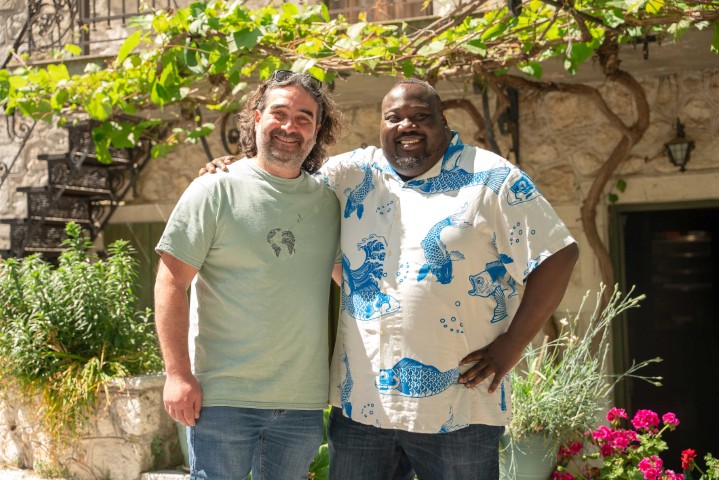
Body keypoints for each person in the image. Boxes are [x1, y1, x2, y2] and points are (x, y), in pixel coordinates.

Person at [203, 78, 579, 480]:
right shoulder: (351, 172)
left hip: (459, 407)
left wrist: (512, 346)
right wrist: (236, 168)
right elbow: (284, 177)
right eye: (394, 117)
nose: (406, 126)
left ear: (444, 122)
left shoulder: (492, 178)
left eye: (420, 116)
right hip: (363, 406)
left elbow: (558, 254)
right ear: (380, 125)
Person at [154, 70, 343, 480]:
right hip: (223, 399)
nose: (290, 126)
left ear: (316, 131)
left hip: (302, 402)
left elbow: (353, 279)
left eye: (304, 118)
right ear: (257, 117)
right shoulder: (214, 190)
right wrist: (178, 375)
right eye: (279, 113)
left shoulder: (329, 203)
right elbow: (171, 281)